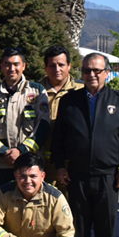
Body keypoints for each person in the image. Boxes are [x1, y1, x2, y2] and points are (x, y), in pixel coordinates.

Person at [51, 53, 119, 237]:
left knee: (105, 228)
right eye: (87, 70)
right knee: (78, 226)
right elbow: (58, 139)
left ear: (106, 73)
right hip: (76, 175)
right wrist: (59, 165)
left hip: (108, 177)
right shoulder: (70, 101)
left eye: (97, 71)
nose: (91, 75)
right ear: (81, 73)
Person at [0, 47, 50, 200]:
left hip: (29, 164)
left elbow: (43, 126)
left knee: (30, 206)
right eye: (7, 64)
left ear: (24, 66)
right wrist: (5, 151)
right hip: (0, 164)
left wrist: (22, 150)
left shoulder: (37, 92)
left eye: (16, 64)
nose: (12, 68)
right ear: (1, 66)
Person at [39, 45, 83, 196]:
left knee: (70, 211)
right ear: (45, 67)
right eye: (52, 65)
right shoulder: (33, 91)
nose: (57, 69)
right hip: (41, 163)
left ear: (69, 66)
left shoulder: (81, 92)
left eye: (61, 65)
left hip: (72, 164)